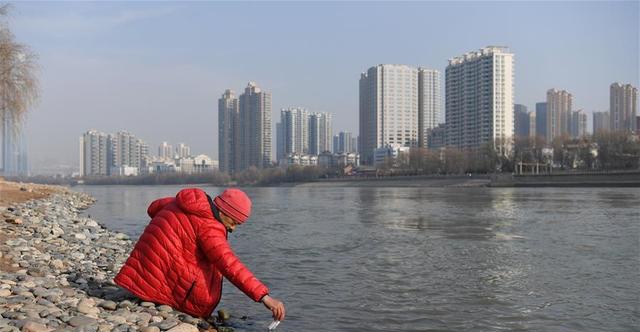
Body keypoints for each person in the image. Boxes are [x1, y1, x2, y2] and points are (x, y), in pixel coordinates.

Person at [114, 188, 285, 322]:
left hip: (140, 275)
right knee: (210, 268)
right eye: (234, 222)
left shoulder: (183, 203)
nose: (233, 229)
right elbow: (229, 264)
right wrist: (264, 297)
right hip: (154, 288)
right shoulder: (209, 226)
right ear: (224, 211)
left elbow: (153, 208)